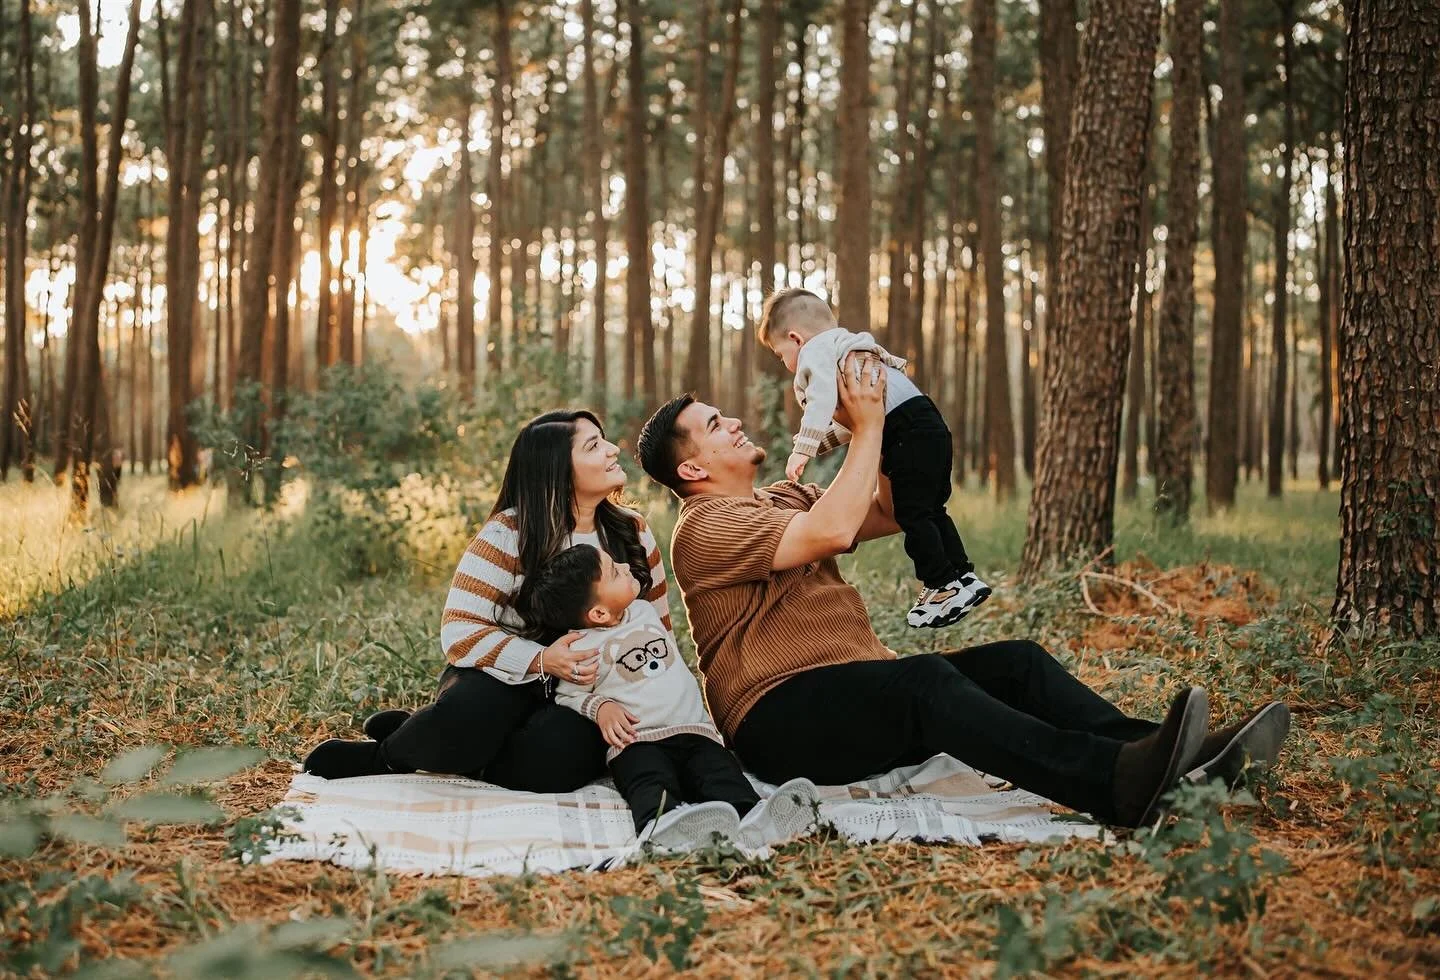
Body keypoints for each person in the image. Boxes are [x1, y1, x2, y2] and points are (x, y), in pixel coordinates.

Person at [633, 357, 1291, 829]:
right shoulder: (705, 528)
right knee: (925, 683)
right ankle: (1115, 786)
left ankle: (1179, 760)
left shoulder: (781, 499)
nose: (737, 421)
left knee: (1018, 662)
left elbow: (891, 510)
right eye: (717, 424)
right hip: (778, 719)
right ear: (691, 468)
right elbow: (833, 532)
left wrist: (891, 415)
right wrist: (862, 433)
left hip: (853, 690)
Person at [301, 410, 665, 792]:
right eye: (594, 445)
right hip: (505, 679)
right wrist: (541, 659)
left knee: (565, 757)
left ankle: (453, 749)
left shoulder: (632, 531)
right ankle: (389, 754)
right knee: (470, 715)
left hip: (589, 691)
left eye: (603, 439)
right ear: (556, 471)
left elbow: (657, 629)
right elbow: (459, 631)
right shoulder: (509, 533)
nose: (611, 450)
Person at [518, 543, 819, 852]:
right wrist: (601, 706)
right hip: (637, 741)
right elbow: (567, 695)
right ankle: (661, 827)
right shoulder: (583, 646)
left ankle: (753, 818)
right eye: (613, 571)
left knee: (718, 772)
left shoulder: (644, 611)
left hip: (692, 729)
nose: (623, 565)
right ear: (598, 613)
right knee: (650, 782)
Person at [758, 288, 988, 629]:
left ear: (796, 338)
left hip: (905, 434)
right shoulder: (851, 347)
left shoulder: (814, 352)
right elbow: (862, 417)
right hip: (929, 424)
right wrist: (823, 443)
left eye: (781, 354)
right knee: (930, 510)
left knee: (911, 512)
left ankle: (940, 585)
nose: (786, 363)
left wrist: (802, 449)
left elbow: (821, 403)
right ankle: (963, 576)